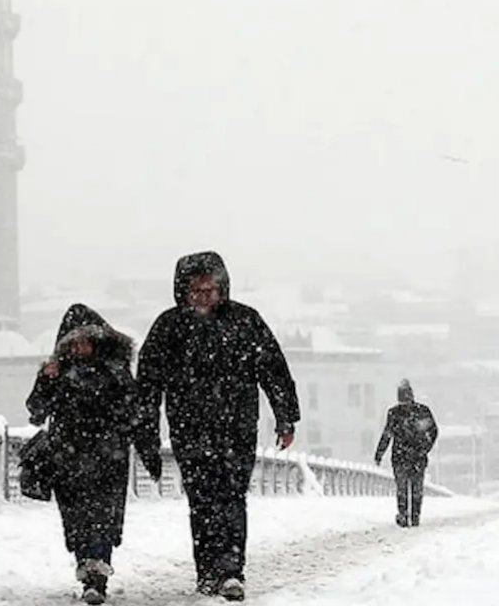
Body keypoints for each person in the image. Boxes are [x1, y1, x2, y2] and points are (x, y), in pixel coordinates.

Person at [132, 251, 300, 602]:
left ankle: (230, 570)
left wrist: (286, 417)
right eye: (197, 290)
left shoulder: (245, 321)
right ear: (184, 291)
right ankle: (207, 570)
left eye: (211, 290)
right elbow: (147, 385)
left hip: (236, 428)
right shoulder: (168, 327)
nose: (204, 297)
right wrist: (145, 433)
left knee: (232, 497)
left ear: (222, 289)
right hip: (189, 430)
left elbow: (273, 369)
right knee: (202, 499)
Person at [26, 304, 155, 605]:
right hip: (68, 459)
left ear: (98, 341)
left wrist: (146, 447)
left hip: (107, 459)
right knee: (76, 520)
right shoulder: (57, 373)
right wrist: (46, 379)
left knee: (103, 519)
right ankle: (87, 568)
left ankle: (96, 575)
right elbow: (35, 411)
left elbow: (135, 414)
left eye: (85, 340)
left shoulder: (115, 373)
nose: (80, 347)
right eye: (73, 342)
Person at [374, 379, 438, 528]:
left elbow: (387, 435)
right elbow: (433, 431)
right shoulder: (422, 411)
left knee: (403, 488)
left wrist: (380, 453)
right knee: (415, 488)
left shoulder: (394, 413)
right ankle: (413, 516)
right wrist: (425, 447)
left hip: (401, 457)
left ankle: (405, 515)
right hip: (417, 457)